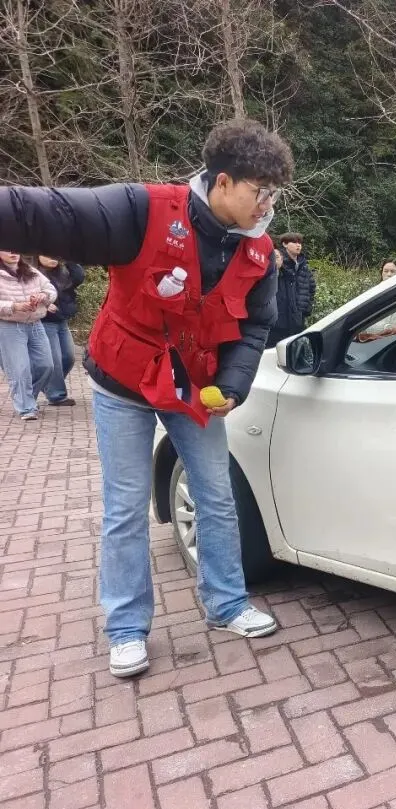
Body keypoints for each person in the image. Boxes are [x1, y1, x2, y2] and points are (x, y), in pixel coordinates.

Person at [0, 118, 291, 678]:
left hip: (195, 389)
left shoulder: (259, 252)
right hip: (123, 382)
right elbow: (46, 212)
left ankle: (227, 603)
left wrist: (233, 386)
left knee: (217, 497)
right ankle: (127, 628)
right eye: (261, 191)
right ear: (224, 182)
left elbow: (256, 325)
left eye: (274, 194)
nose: (267, 205)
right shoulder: (143, 210)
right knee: (126, 506)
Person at [0, 251, 56, 420]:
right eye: (7, 249)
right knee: (20, 368)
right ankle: (26, 408)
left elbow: (51, 290)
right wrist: (14, 306)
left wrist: (43, 296)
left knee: (46, 365)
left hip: (35, 324)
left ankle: (26, 396)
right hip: (9, 325)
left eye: (15, 248)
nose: (13, 252)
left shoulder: (31, 270)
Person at [35, 255, 85, 406]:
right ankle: (56, 395)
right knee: (55, 360)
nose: (52, 257)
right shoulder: (34, 274)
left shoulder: (63, 272)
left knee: (69, 357)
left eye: (55, 253)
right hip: (45, 321)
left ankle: (48, 385)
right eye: (47, 254)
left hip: (61, 320)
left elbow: (78, 277)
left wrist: (69, 257)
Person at [268, 232, 315, 347]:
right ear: (285, 244)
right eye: (294, 242)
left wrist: (306, 309)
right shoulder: (278, 260)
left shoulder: (303, 266)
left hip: (298, 318)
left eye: (300, 243)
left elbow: (311, 288)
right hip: (278, 318)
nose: (298, 245)